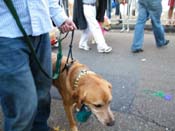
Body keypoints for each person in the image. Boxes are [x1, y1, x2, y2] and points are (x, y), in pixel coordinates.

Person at [0, 1, 76, 131]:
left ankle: (39, 127)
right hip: (6, 34)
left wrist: (60, 17)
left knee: (42, 90)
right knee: (22, 104)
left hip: (41, 31)